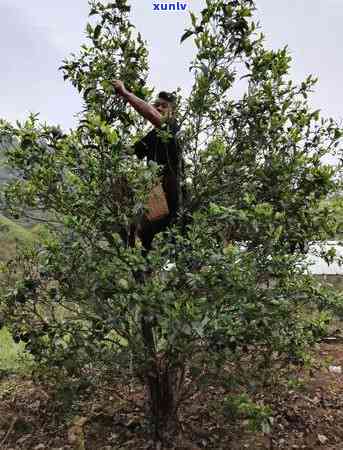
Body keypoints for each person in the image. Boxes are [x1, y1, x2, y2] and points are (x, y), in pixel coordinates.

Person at [113, 80, 183, 253]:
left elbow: (152, 115)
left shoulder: (173, 127)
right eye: (156, 105)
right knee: (143, 244)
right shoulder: (152, 136)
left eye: (164, 106)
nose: (159, 108)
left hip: (169, 198)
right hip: (154, 197)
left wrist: (126, 93)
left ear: (172, 112)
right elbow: (129, 151)